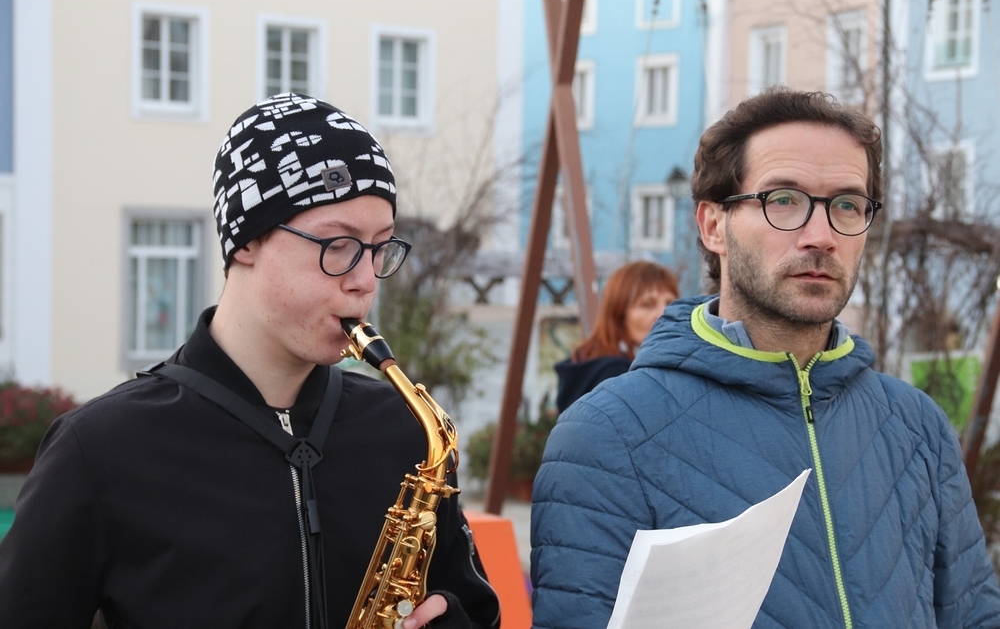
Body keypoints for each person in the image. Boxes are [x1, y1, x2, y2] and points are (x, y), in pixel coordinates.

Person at [0, 93, 500, 629]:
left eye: (379, 247)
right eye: (338, 245)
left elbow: (475, 608)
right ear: (246, 242)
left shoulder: (405, 432)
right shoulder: (99, 449)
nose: (364, 280)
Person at [530, 89, 1000, 628]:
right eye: (784, 200)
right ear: (713, 226)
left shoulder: (918, 427)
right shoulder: (608, 434)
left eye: (848, 205)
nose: (821, 236)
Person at [553, 261, 678, 413]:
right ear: (619, 314)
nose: (663, 314)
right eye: (647, 304)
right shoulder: (618, 377)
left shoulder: (587, 366)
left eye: (670, 303)